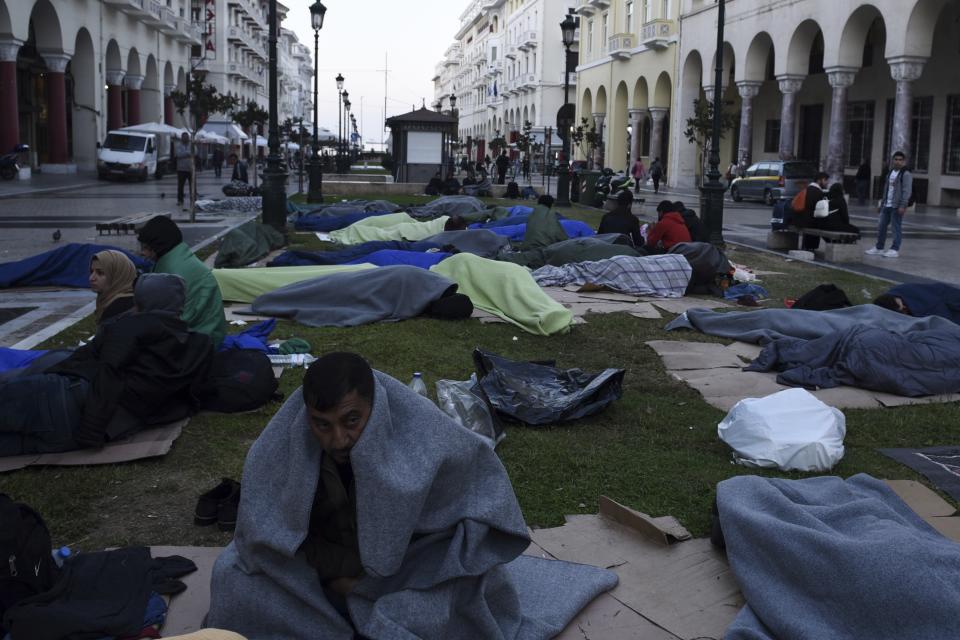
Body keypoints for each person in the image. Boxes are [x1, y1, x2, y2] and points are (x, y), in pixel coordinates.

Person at [206, 352, 615, 638]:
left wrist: (386, 575)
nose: (339, 439)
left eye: (351, 421)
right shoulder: (284, 445)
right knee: (232, 580)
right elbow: (270, 531)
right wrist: (336, 575)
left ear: (373, 405)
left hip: (410, 565)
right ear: (306, 415)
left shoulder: (422, 430)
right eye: (322, 425)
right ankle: (340, 616)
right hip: (319, 570)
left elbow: (483, 500)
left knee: (434, 608)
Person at [0, 274, 212, 456]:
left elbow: (109, 369)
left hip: (63, 401)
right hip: (80, 435)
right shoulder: (199, 345)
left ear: (143, 302)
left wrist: (91, 430)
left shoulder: (134, 325)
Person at [137, 215, 227, 348]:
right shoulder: (177, 257)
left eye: (146, 248)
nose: (142, 253)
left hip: (199, 341)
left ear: (158, 245)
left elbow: (166, 320)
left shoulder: (170, 271)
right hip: (208, 335)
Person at [866, 151, 912, 258]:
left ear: (904, 161)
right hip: (887, 205)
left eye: (900, 160)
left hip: (896, 206)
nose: (898, 162)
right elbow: (886, 189)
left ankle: (894, 249)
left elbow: (907, 191)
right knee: (881, 226)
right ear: (893, 160)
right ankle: (879, 247)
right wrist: (882, 204)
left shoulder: (906, 174)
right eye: (896, 159)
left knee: (896, 228)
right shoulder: (890, 173)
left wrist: (903, 205)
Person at [89, 250, 138, 328]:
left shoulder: (119, 308)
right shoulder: (111, 300)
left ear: (118, 275)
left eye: (100, 273)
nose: (91, 278)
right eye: (92, 272)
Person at [796, 171, 830, 250]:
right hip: (810, 221)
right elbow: (819, 211)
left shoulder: (808, 189)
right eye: (825, 180)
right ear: (819, 180)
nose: (827, 182)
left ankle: (809, 246)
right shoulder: (817, 192)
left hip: (802, 219)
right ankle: (834, 244)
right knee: (825, 225)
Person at [175, 132, 193, 208]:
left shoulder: (192, 145)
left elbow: (195, 152)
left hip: (191, 169)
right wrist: (188, 153)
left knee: (192, 186)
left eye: (187, 137)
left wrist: (185, 153)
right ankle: (180, 200)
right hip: (181, 169)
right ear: (182, 138)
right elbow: (178, 155)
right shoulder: (178, 145)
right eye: (184, 137)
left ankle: (193, 200)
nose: (186, 138)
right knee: (180, 186)